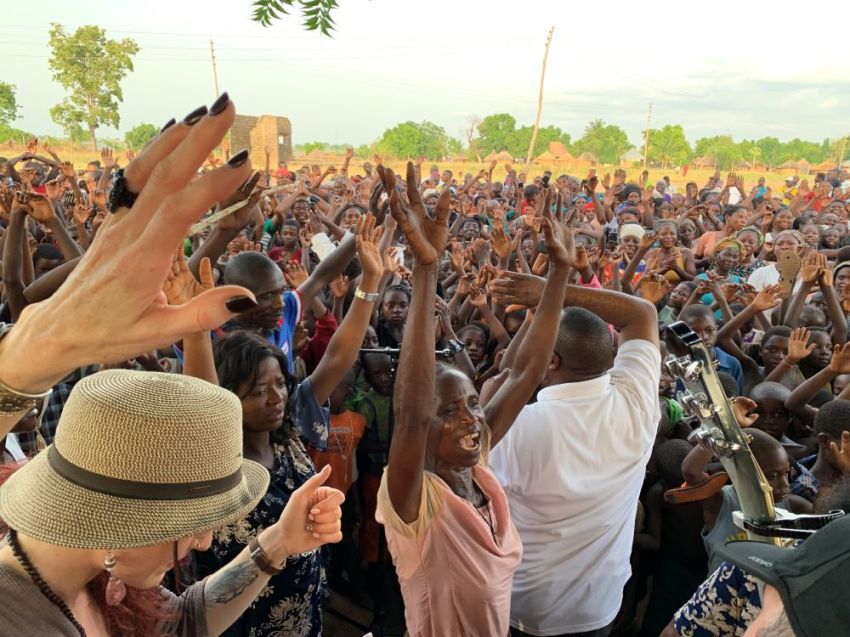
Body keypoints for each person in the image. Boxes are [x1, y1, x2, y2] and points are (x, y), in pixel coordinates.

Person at [375, 165, 570, 636]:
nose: (470, 419)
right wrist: (426, 272)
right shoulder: (414, 498)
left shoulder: (477, 469)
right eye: (448, 411)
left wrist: (560, 274)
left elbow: (526, 373)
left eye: (472, 404)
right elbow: (411, 415)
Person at [489, 259, 661, 635]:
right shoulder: (638, 400)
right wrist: (550, 292)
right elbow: (642, 314)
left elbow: (499, 391)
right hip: (599, 605)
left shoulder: (518, 429)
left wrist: (548, 296)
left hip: (525, 608)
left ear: (550, 360)